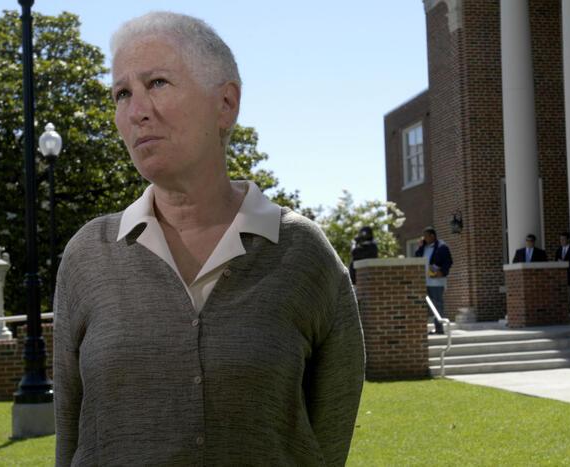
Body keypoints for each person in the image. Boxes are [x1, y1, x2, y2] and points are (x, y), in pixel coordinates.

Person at [53, 12, 364, 466]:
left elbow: (326, 437)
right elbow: (71, 432)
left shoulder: (302, 253)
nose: (136, 110)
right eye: (122, 93)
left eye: (156, 83)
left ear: (226, 104)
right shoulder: (89, 256)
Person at [414, 227, 453, 335]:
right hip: (424, 281)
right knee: (424, 305)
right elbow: (416, 257)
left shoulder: (442, 247)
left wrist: (442, 272)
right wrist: (420, 246)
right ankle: (422, 329)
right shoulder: (424, 247)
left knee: (437, 305)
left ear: (433, 236)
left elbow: (448, 262)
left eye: (426, 236)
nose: (424, 238)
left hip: (436, 282)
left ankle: (439, 329)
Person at [555, 231, 570, 302]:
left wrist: (564, 262)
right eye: (560, 239)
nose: (561, 241)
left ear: (568, 239)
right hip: (561, 275)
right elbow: (556, 261)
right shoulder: (558, 250)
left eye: (563, 239)